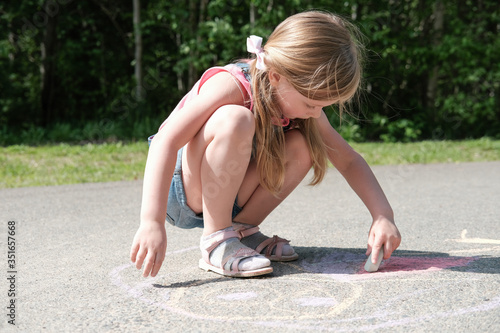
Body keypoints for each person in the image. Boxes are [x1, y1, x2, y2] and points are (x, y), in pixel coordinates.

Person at [130, 10, 401, 278]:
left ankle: (241, 231)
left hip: (228, 194)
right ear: (276, 77)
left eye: (322, 106)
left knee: (303, 146)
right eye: (311, 103)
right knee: (236, 119)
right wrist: (151, 222)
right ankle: (217, 241)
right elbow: (165, 140)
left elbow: (348, 159)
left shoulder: (301, 102)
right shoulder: (231, 85)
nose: (316, 112)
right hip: (181, 192)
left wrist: (382, 214)